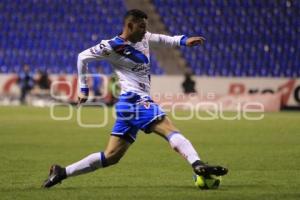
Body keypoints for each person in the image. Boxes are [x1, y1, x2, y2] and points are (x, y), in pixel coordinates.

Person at [42, 9, 228, 188]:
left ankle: (62, 172)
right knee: (169, 129)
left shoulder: (145, 37)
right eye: (141, 27)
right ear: (129, 26)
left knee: (111, 156)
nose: (145, 31)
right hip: (134, 100)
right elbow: (82, 57)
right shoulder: (111, 46)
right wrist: (84, 88)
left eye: (145, 27)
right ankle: (197, 164)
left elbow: (165, 39)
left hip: (127, 105)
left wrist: (185, 41)